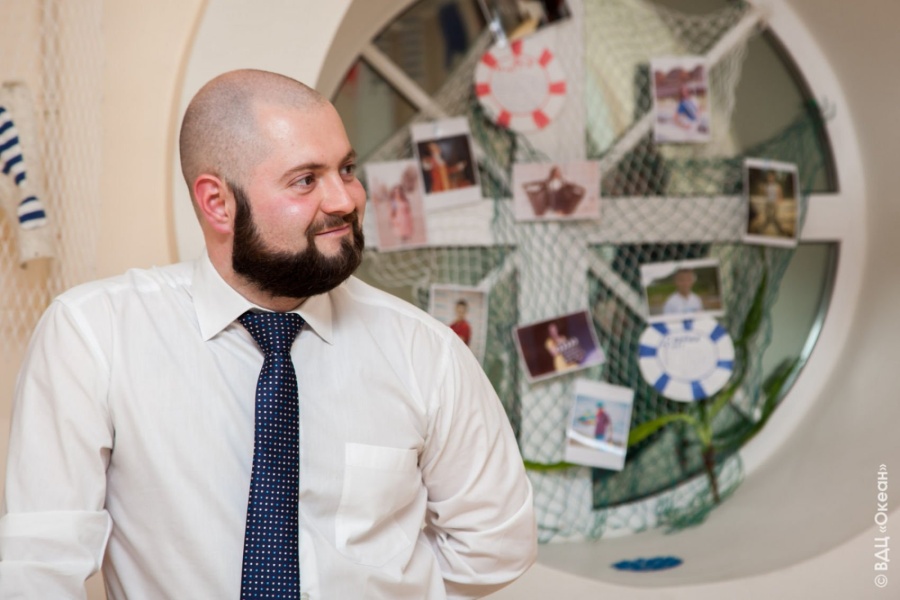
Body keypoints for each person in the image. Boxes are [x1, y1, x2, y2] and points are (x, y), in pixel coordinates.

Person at [0, 69, 536, 599]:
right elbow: (40, 565)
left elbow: (495, 545)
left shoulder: (424, 350)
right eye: (306, 180)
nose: (345, 199)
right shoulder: (94, 335)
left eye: (347, 170)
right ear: (218, 203)